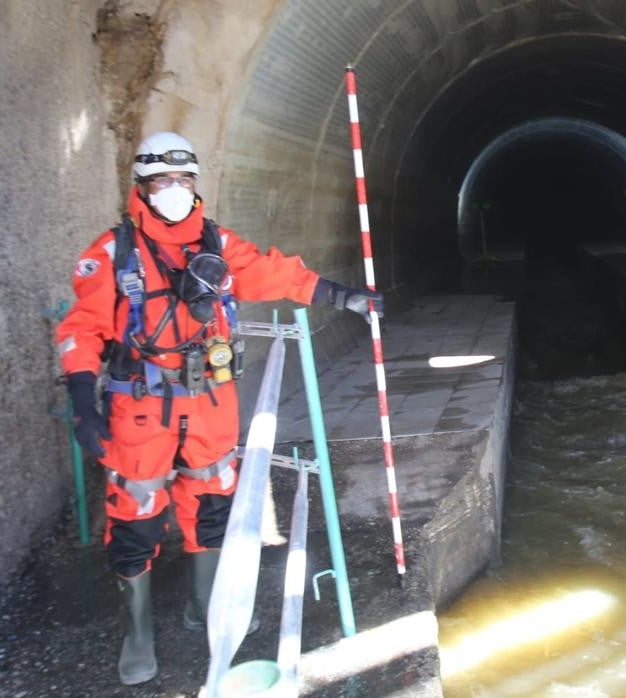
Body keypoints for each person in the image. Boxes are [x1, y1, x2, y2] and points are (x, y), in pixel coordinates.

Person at [54, 131, 381, 685]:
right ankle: (137, 633)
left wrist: (339, 294)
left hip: (210, 400)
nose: (175, 191)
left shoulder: (217, 245)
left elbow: (275, 272)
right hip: (142, 408)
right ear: (142, 187)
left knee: (212, 504)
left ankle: (203, 606)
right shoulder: (113, 255)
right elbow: (81, 330)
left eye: (184, 180)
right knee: (135, 514)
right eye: (162, 181)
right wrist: (83, 399)